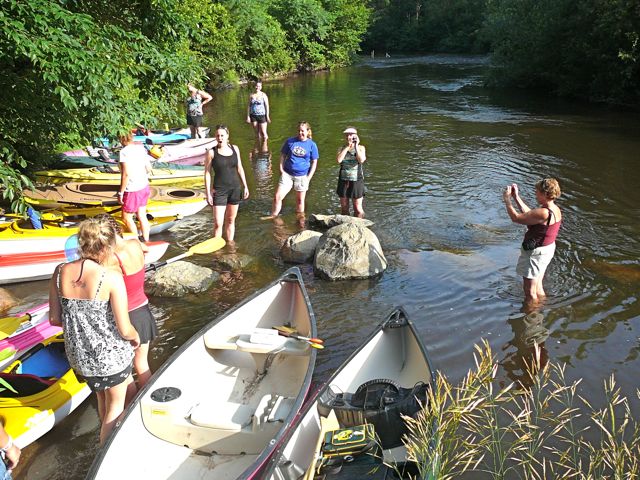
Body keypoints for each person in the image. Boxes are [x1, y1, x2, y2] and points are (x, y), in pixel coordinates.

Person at [49, 217, 140, 444]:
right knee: (115, 408)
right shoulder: (111, 277)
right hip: (110, 358)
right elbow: (125, 328)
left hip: (79, 356)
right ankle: (106, 454)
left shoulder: (59, 272)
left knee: (103, 398)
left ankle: (104, 437)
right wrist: (136, 337)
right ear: (108, 246)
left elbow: (54, 318)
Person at [98, 214, 158, 389]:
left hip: (123, 316)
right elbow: (146, 249)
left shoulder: (110, 260)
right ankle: (147, 398)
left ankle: (128, 406)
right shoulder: (135, 244)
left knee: (124, 371)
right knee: (142, 364)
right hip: (143, 311)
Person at [503, 178, 562, 306]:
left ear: (546, 194)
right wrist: (516, 197)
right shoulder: (554, 209)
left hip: (536, 254)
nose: (535, 193)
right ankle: (542, 307)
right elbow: (530, 214)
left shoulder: (544, 212)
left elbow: (516, 218)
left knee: (529, 292)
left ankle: (530, 318)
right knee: (538, 286)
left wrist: (507, 200)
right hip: (547, 249)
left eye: (537, 191)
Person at [203, 125, 249, 241]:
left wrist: (245, 185)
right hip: (219, 191)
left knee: (230, 220)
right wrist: (208, 193)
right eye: (217, 135)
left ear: (227, 136)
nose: (220, 138)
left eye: (222, 135)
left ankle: (230, 245)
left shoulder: (235, 149)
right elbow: (207, 173)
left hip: (235, 189)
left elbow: (240, 168)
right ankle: (216, 249)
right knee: (218, 223)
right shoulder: (211, 152)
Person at [269, 122, 319, 218]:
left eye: (302, 131)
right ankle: (273, 216)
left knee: (300, 201)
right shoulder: (290, 141)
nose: (300, 133)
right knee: (277, 197)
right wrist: (281, 168)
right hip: (287, 174)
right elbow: (283, 155)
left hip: (302, 176)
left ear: (308, 131)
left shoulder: (312, 145)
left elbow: (314, 162)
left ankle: (300, 222)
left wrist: (309, 177)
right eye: (299, 131)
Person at [117, 133, 152, 242]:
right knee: (142, 215)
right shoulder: (141, 148)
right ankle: (146, 241)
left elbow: (125, 174)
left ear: (121, 138)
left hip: (133, 189)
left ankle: (136, 242)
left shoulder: (123, 152)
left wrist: (120, 193)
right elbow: (148, 168)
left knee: (126, 217)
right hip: (144, 186)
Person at [336, 127, 367, 218]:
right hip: (343, 179)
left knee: (357, 208)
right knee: (344, 208)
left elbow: (361, 160)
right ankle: (346, 226)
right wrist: (347, 147)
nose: (349, 136)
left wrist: (356, 146)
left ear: (355, 135)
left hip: (356, 179)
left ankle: (361, 226)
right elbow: (339, 160)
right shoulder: (341, 148)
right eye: (347, 135)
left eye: (351, 134)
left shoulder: (361, 148)